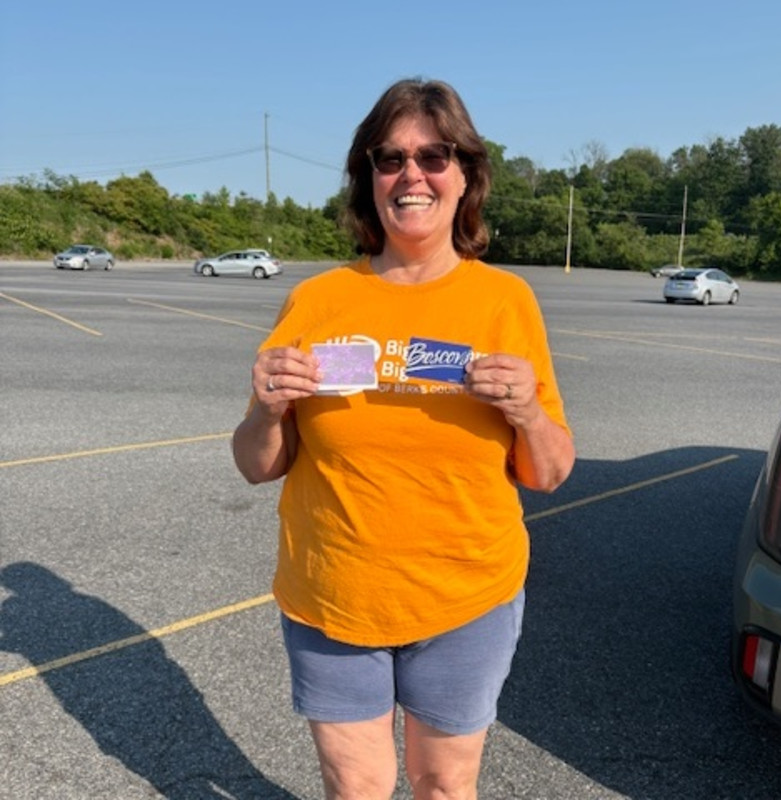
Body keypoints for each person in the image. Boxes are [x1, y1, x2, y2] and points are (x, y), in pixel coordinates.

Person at [232, 78, 575, 800]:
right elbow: (257, 465)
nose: (410, 175)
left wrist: (528, 413)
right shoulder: (318, 300)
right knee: (356, 787)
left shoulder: (505, 301)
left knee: (444, 784)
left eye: (433, 156)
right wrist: (265, 411)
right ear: (369, 178)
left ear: (466, 175)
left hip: (467, 595)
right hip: (334, 592)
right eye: (389, 159)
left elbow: (548, 473)